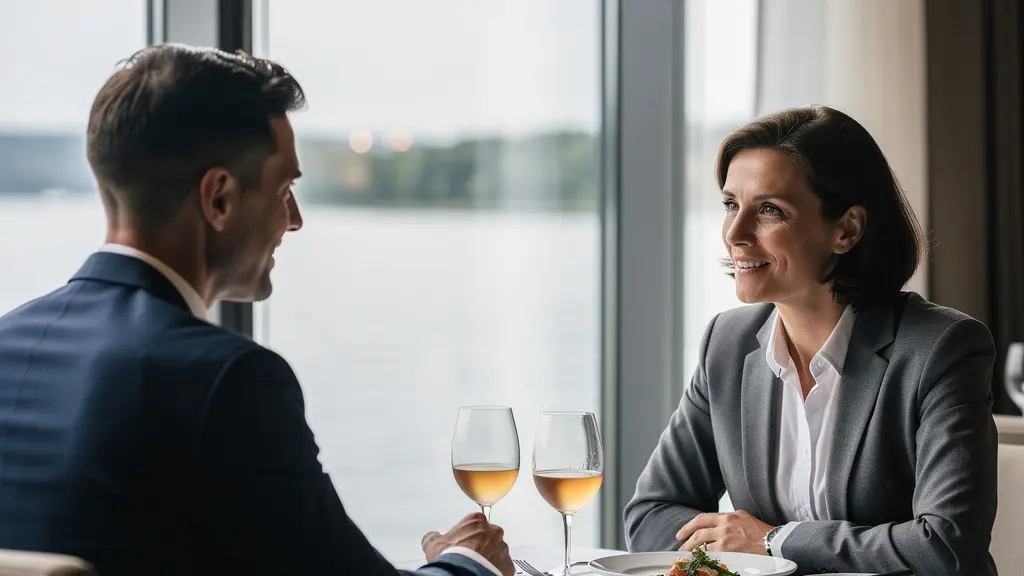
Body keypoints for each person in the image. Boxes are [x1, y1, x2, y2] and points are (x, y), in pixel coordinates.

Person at [0, 44, 513, 576]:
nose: (294, 220)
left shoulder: (5, 341)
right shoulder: (225, 382)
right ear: (218, 198)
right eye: (285, 187)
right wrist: (470, 563)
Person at [624, 106, 998, 575]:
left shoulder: (942, 349)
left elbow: (945, 545)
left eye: (768, 210)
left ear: (847, 229)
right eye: (730, 205)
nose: (735, 234)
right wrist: (740, 555)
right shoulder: (727, 343)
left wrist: (775, 541)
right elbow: (652, 515)